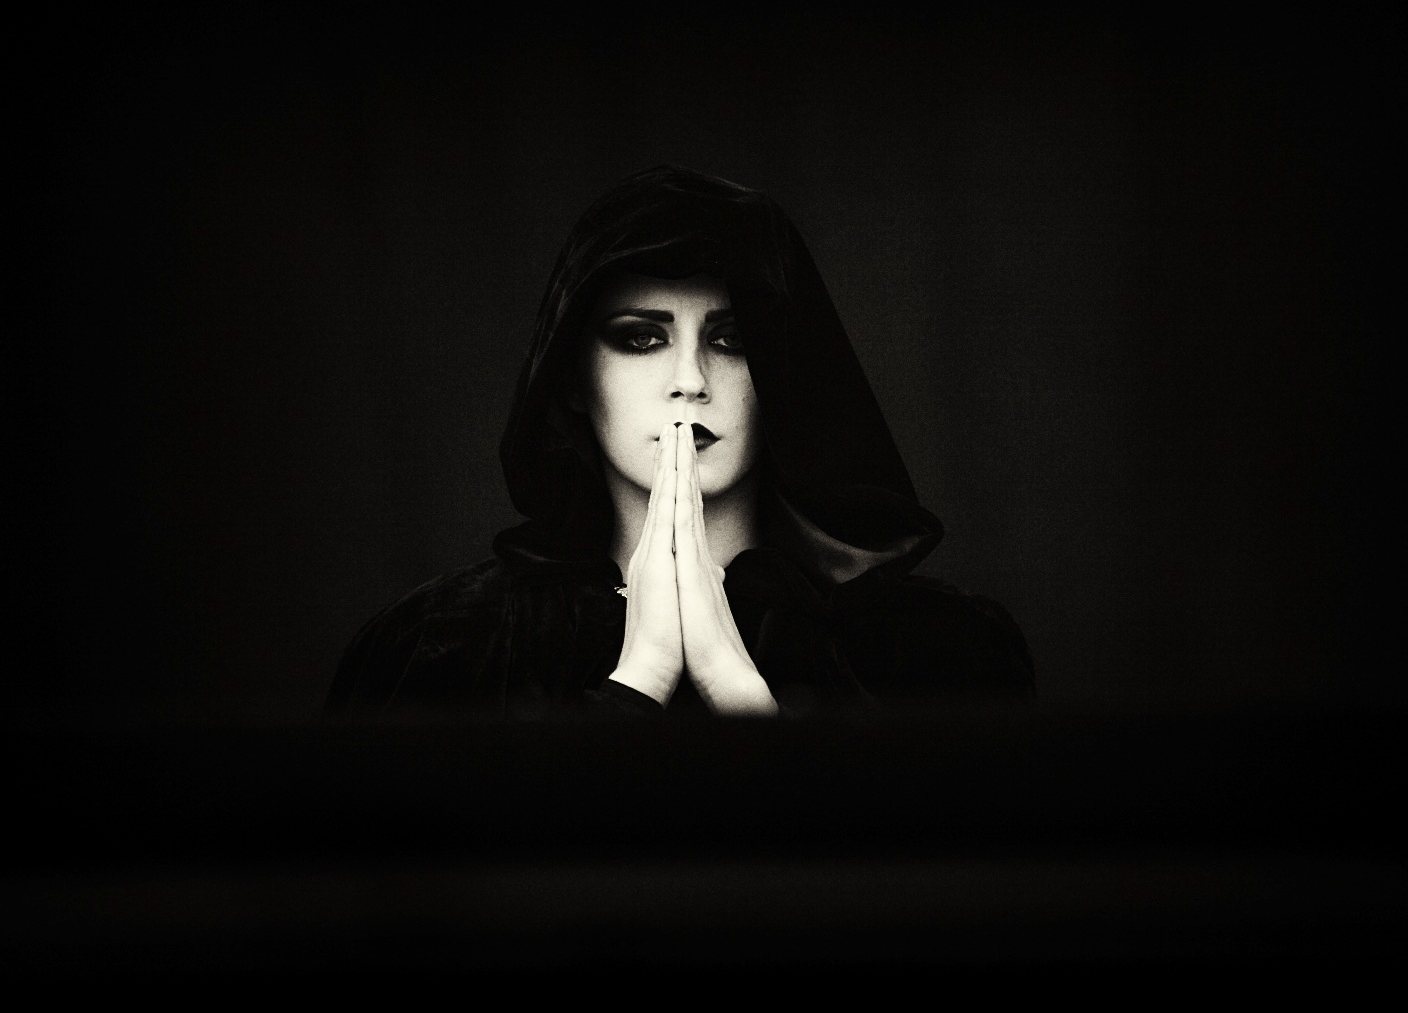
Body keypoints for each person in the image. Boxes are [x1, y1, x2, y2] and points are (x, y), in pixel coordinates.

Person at [327, 165, 1034, 717]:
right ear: (573, 379)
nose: (690, 380)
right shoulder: (437, 650)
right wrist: (640, 679)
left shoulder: (940, 654)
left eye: (732, 340)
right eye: (642, 338)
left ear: (781, 372)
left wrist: (740, 694)